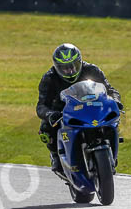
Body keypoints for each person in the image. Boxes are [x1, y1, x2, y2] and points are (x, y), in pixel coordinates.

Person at [36, 43, 122, 174]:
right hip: (64, 111)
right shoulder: (49, 78)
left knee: (113, 118)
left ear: (80, 61)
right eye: (64, 68)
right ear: (56, 67)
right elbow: (41, 105)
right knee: (46, 128)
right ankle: (56, 156)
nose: (70, 71)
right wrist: (50, 114)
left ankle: (110, 150)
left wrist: (116, 100)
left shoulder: (92, 70)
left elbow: (110, 90)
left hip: (91, 106)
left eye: (73, 66)